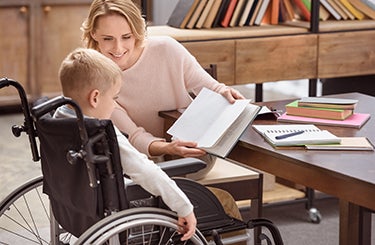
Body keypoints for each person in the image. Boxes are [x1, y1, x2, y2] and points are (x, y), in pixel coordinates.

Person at [80, 0, 244, 221]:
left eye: (126, 37)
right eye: (108, 39)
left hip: (192, 152)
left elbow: (211, 87)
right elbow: (134, 137)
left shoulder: (166, 49)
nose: (118, 48)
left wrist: (226, 93)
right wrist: (168, 148)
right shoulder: (96, 78)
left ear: (137, 32)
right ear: (93, 36)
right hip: (140, 161)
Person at [55, 47, 196, 241]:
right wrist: (184, 207)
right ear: (95, 98)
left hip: (72, 203)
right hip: (106, 210)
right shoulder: (100, 134)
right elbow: (145, 171)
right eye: (113, 98)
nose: (114, 105)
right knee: (190, 194)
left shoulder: (57, 118)